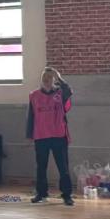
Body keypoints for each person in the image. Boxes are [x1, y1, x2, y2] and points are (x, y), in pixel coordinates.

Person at [27, 67, 74, 206]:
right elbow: (31, 116)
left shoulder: (60, 93)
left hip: (59, 135)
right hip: (41, 135)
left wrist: (59, 77)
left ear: (54, 80)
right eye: (44, 77)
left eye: (49, 77)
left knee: (63, 167)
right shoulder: (34, 95)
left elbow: (69, 91)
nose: (46, 80)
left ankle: (66, 195)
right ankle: (41, 193)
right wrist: (29, 134)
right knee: (41, 167)